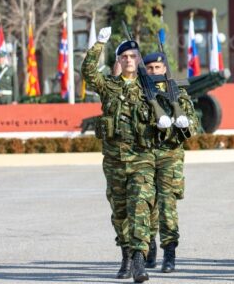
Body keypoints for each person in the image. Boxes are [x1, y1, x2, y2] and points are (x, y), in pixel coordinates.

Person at [82, 27, 168, 283]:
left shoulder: (150, 88)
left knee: (140, 208)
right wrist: (99, 44)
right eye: (124, 57)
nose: (129, 60)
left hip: (142, 158)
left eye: (133, 56)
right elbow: (87, 72)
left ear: (138, 60)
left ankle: (139, 261)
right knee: (120, 212)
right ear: (118, 61)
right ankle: (126, 255)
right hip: (115, 161)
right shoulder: (109, 86)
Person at [143, 52, 199, 272]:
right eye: (150, 68)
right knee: (146, 206)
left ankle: (169, 252)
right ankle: (149, 246)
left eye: (158, 67)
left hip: (170, 155)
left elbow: (193, 126)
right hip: (145, 156)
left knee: (167, 206)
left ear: (165, 69)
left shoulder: (179, 92)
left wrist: (184, 121)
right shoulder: (141, 93)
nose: (154, 72)